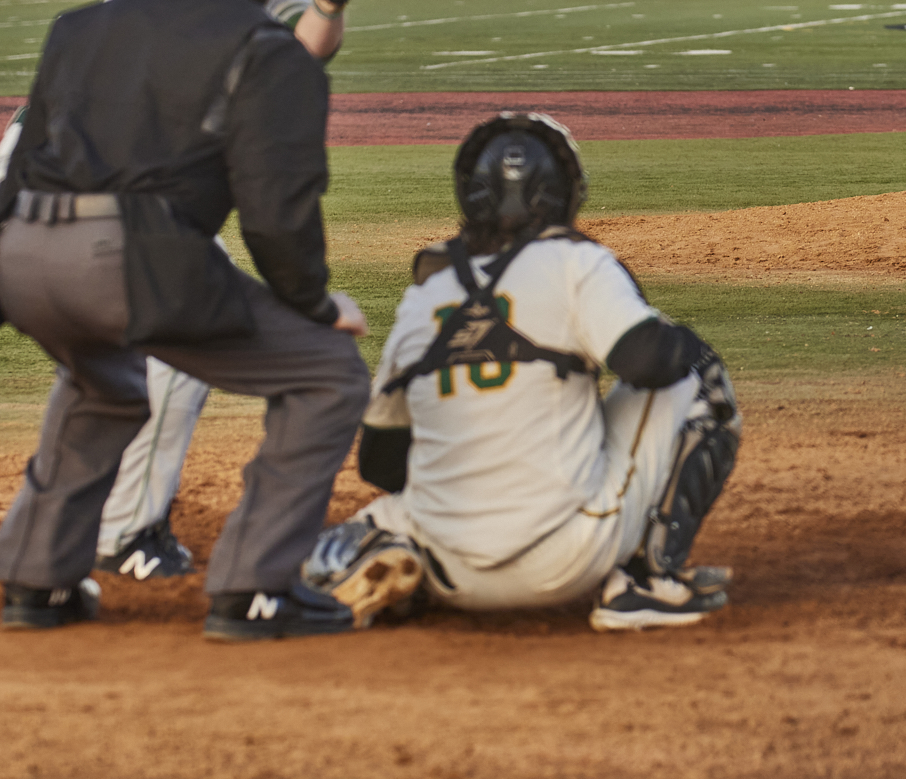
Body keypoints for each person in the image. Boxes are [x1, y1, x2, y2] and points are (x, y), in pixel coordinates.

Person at [0, 0, 375, 641]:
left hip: (18, 252)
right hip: (125, 256)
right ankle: (254, 588)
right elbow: (276, 213)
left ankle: (38, 581)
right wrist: (317, 305)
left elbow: (26, 155)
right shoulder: (263, 46)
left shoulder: (78, 27)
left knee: (103, 383)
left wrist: (16, 253)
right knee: (327, 374)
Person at [302, 113, 743, 633]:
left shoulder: (425, 294)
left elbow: (381, 465)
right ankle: (649, 581)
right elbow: (647, 360)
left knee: (382, 512)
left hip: (451, 570)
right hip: (567, 558)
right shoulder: (575, 262)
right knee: (697, 373)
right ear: (565, 194)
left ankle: (348, 566)